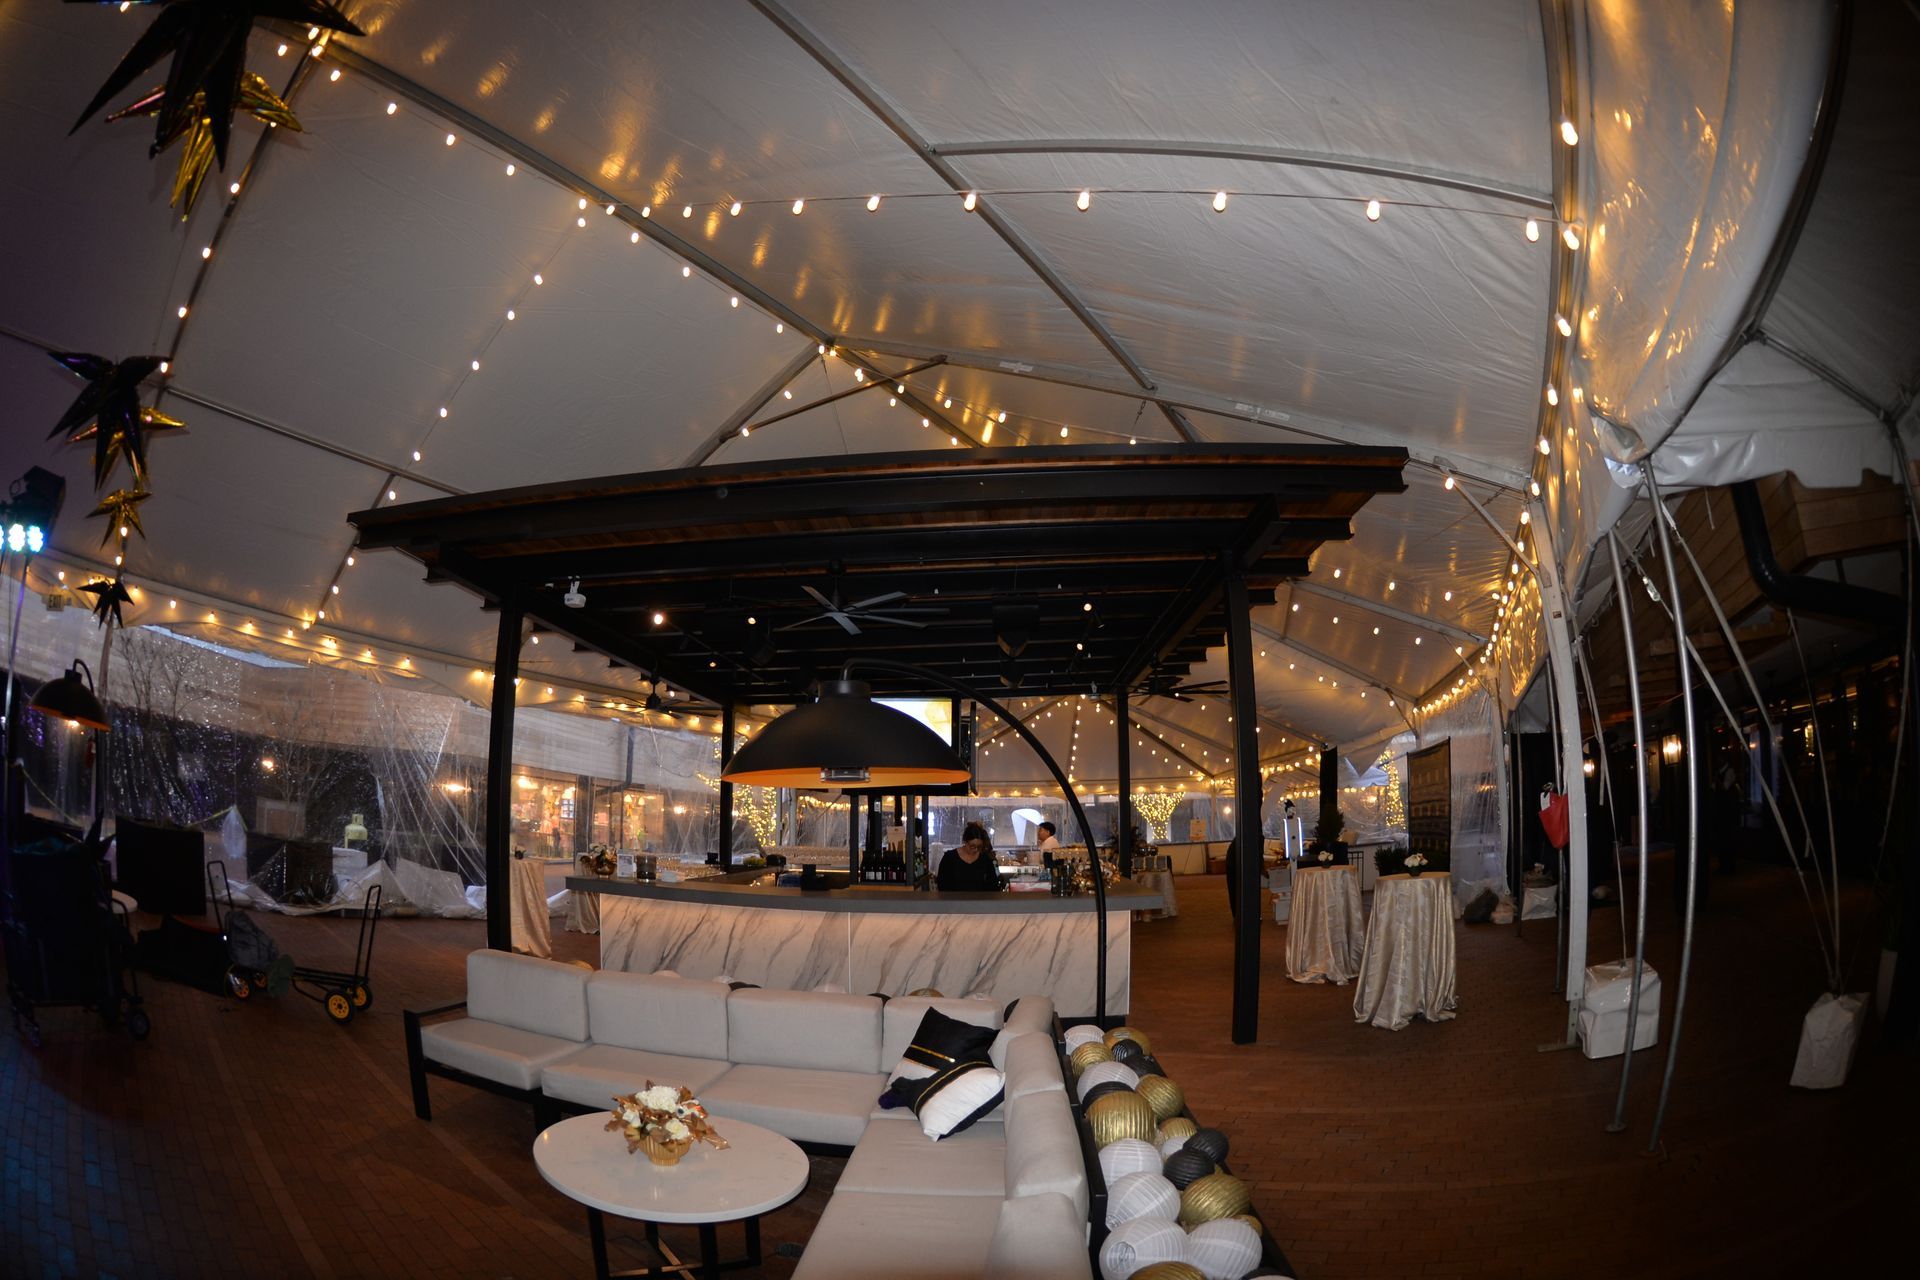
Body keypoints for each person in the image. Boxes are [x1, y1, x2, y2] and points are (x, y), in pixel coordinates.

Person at [936, 821, 1003, 892]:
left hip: (980, 902)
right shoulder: (949, 858)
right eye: (972, 846)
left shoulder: (985, 859)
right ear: (965, 841)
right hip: (954, 901)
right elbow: (942, 885)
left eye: (979, 846)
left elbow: (993, 886)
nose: (976, 849)